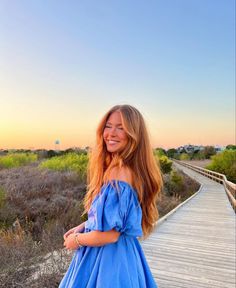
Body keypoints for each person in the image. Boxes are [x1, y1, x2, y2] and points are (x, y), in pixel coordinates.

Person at [59, 104, 163, 288]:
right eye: (108, 126)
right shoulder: (125, 168)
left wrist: (75, 240)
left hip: (108, 260)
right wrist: (83, 226)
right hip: (122, 254)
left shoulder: (120, 173)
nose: (111, 133)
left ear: (134, 135)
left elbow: (109, 235)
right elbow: (114, 220)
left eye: (121, 128)